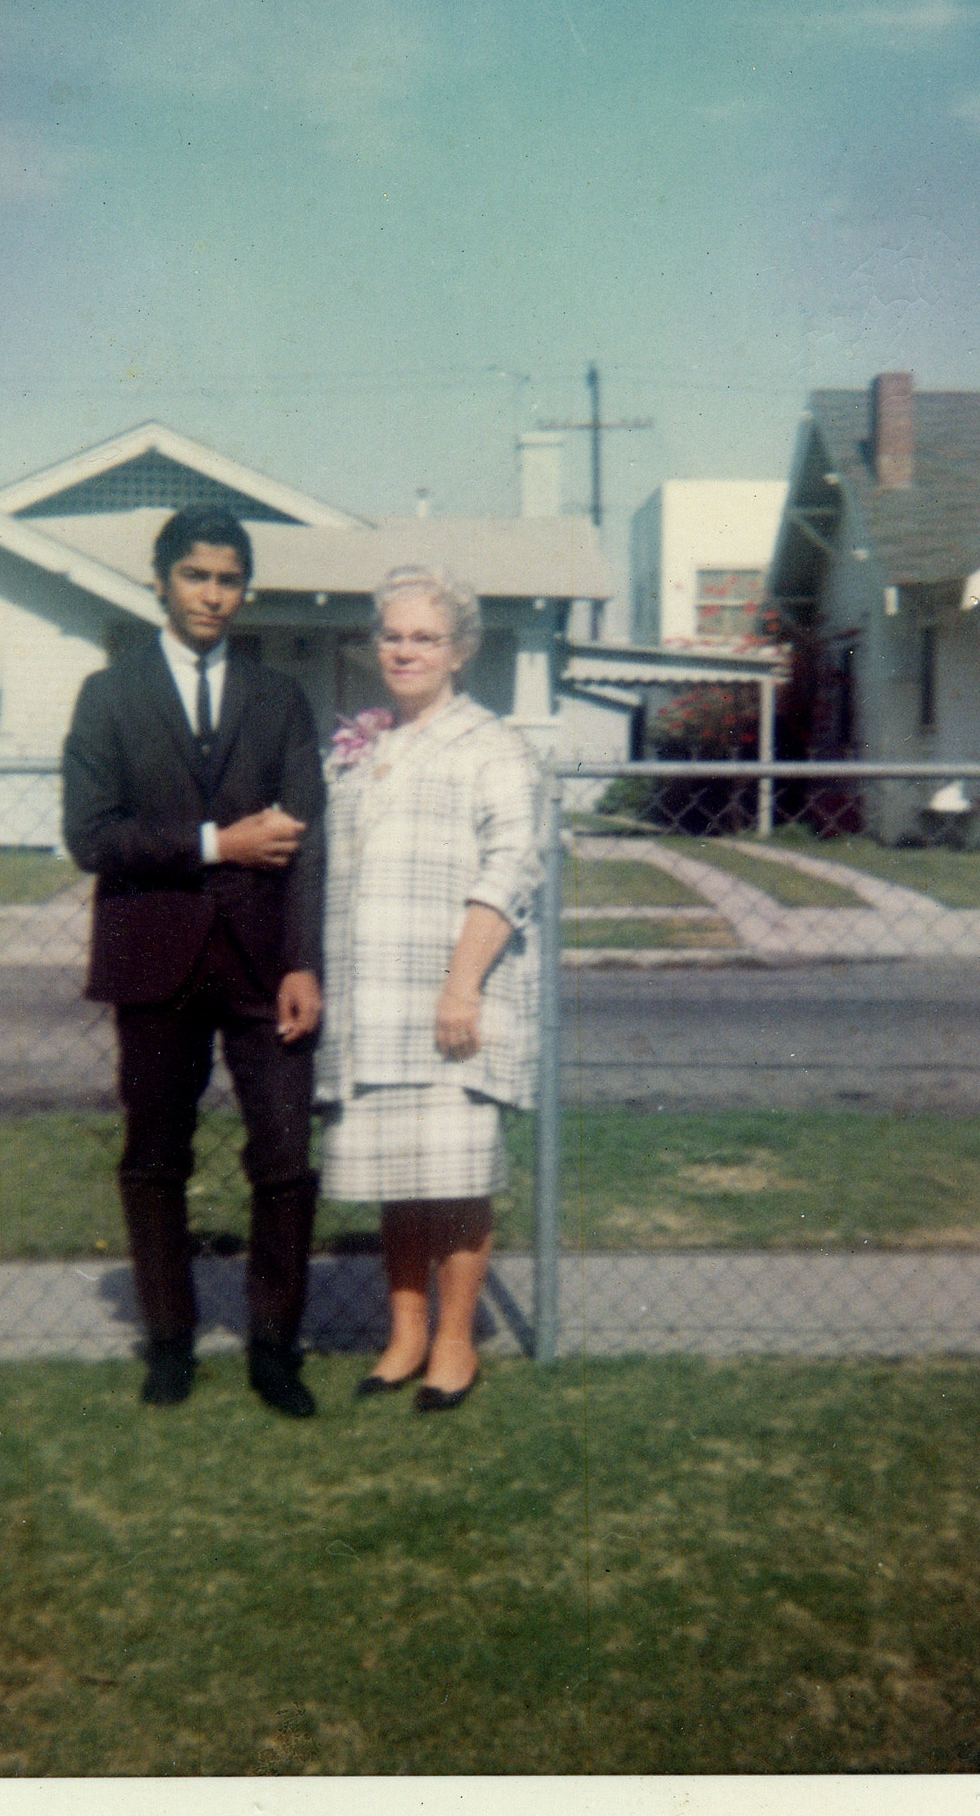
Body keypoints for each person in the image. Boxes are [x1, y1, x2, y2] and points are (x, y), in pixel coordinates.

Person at [62, 506, 325, 1417]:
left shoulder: (280, 699)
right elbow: (90, 838)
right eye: (196, 577)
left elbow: (308, 842)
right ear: (162, 581)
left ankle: (274, 1347)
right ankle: (169, 1341)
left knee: (287, 1156)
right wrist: (217, 843)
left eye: (229, 579)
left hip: (264, 965)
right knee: (155, 1155)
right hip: (154, 956)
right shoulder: (109, 695)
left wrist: (304, 963)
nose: (214, 594)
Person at [316, 565, 544, 1412]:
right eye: (392, 636)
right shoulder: (365, 747)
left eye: (424, 638)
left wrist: (461, 986)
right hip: (372, 1002)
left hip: (452, 997)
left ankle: (455, 1342)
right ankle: (405, 1335)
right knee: (398, 1174)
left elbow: (514, 865)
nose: (404, 651)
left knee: (452, 1176)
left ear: (460, 653)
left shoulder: (492, 746)